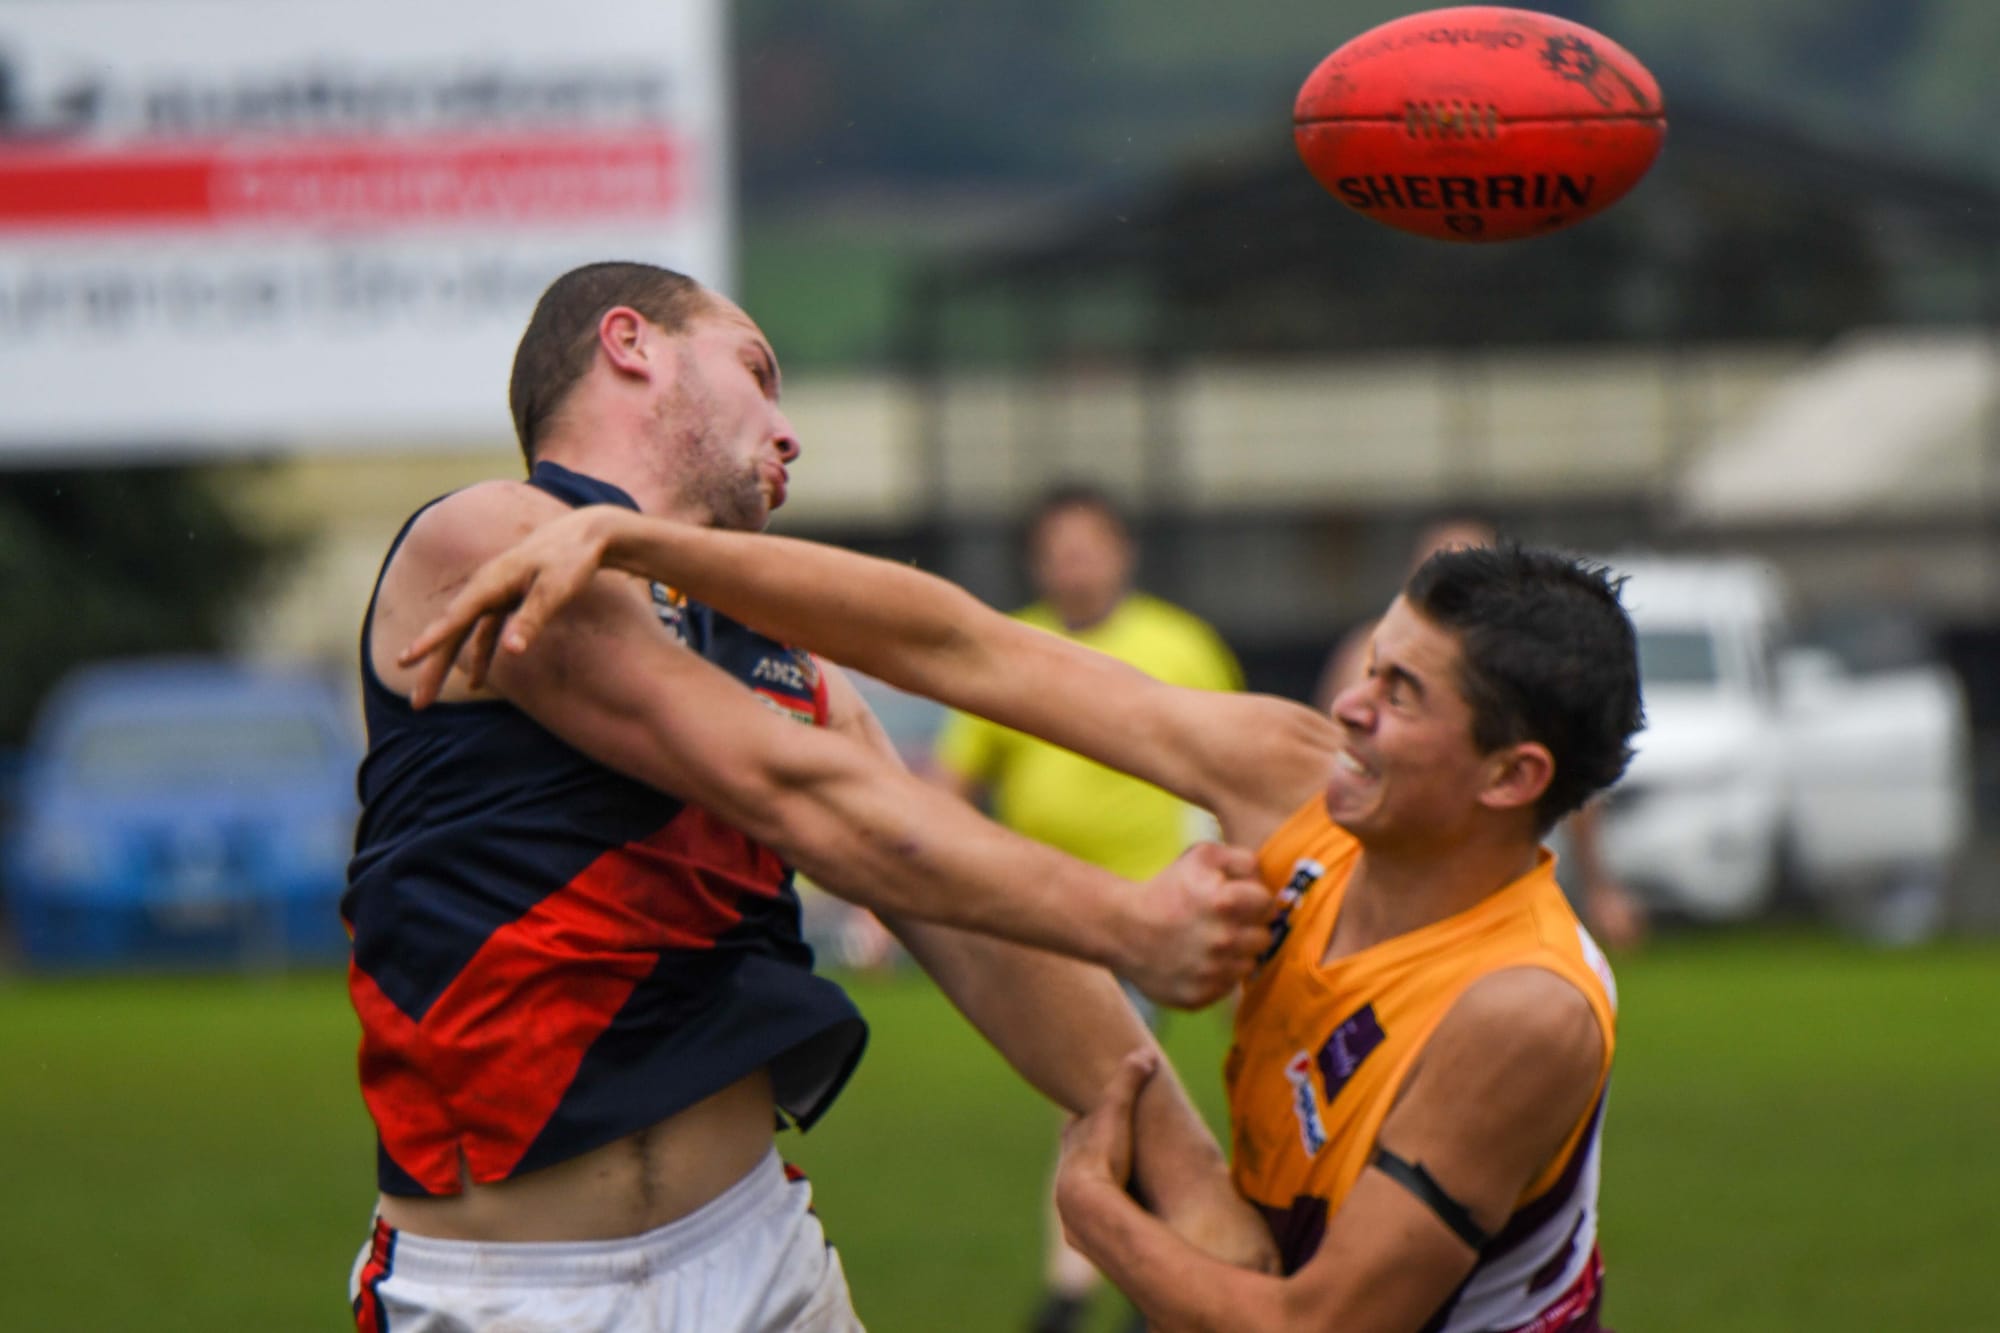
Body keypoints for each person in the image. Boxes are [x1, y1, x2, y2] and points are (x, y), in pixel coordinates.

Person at [402, 514, 1646, 1333]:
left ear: (1509, 777)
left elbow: (1313, 1327)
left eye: (1400, 692)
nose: (1352, 707)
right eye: (1368, 666)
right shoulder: (1290, 769)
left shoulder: (1515, 1006)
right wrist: (633, 542)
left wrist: (1100, 1214)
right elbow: (959, 645)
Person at [344, 261, 1281, 1332]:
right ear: (629, 343)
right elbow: (790, 786)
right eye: (757, 371)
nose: (788, 433)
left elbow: (950, 898)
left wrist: (1190, 1174)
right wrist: (1127, 919)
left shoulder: (770, 649)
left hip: (759, 1258)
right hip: (510, 1294)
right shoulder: (486, 537)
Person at [928, 484, 1244, 1333]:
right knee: (1111, 1091)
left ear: (1121, 551)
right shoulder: (1006, 646)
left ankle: (1087, 1288)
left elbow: (1234, 769)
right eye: (1059, 547)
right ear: (1040, 561)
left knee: (1114, 1088)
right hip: (1047, 917)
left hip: (1164, 911)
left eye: (1089, 544)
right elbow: (951, 782)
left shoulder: (1179, 645)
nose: (1076, 561)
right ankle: (1146, 1276)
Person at [1315, 517, 1648, 954]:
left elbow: (1575, 791)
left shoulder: (1513, 674)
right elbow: (1325, 756)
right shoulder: (1361, 647)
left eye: (1399, 694)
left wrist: (1598, 884)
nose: (1353, 708)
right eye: (1374, 675)